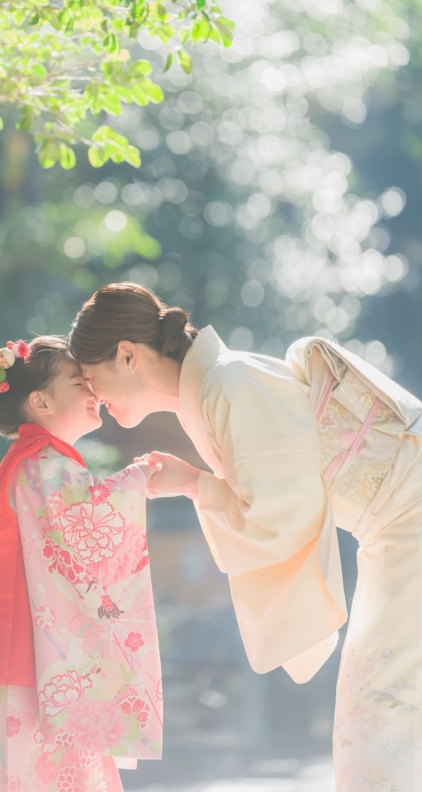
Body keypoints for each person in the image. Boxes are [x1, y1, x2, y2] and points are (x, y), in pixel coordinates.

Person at [69, 283, 422, 792]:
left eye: (90, 378)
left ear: (127, 356)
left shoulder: (227, 383)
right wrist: (195, 484)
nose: (91, 397)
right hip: (396, 528)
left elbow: (281, 520)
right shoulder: (215, 386)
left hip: (409, 517)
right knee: (384, 709)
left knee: (383, 710)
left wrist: (195, 484)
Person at [0, 335, 193, 792]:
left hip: (11, 654)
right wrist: (139, 478)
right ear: (40, 401)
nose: (93, 391)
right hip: (29, 660)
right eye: (79, 382)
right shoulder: (41, 462)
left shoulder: (32, 461)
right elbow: (90, 519)